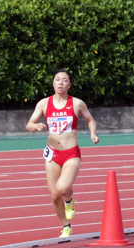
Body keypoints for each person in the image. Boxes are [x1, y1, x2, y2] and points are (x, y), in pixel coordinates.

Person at [26, 69, 99, 238]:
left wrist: (92, 133)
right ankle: (66, 226)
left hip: (71, 152)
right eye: (57, 79)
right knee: (53, 196)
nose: (60, 83)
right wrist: (35, 127)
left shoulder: (77, 103)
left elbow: (90, 119)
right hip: (52, 154)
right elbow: (29, 123)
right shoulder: (44, 103)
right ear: (52, 83)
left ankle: (69, 200)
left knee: (63, 187)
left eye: (64, 80)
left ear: (69, 85)